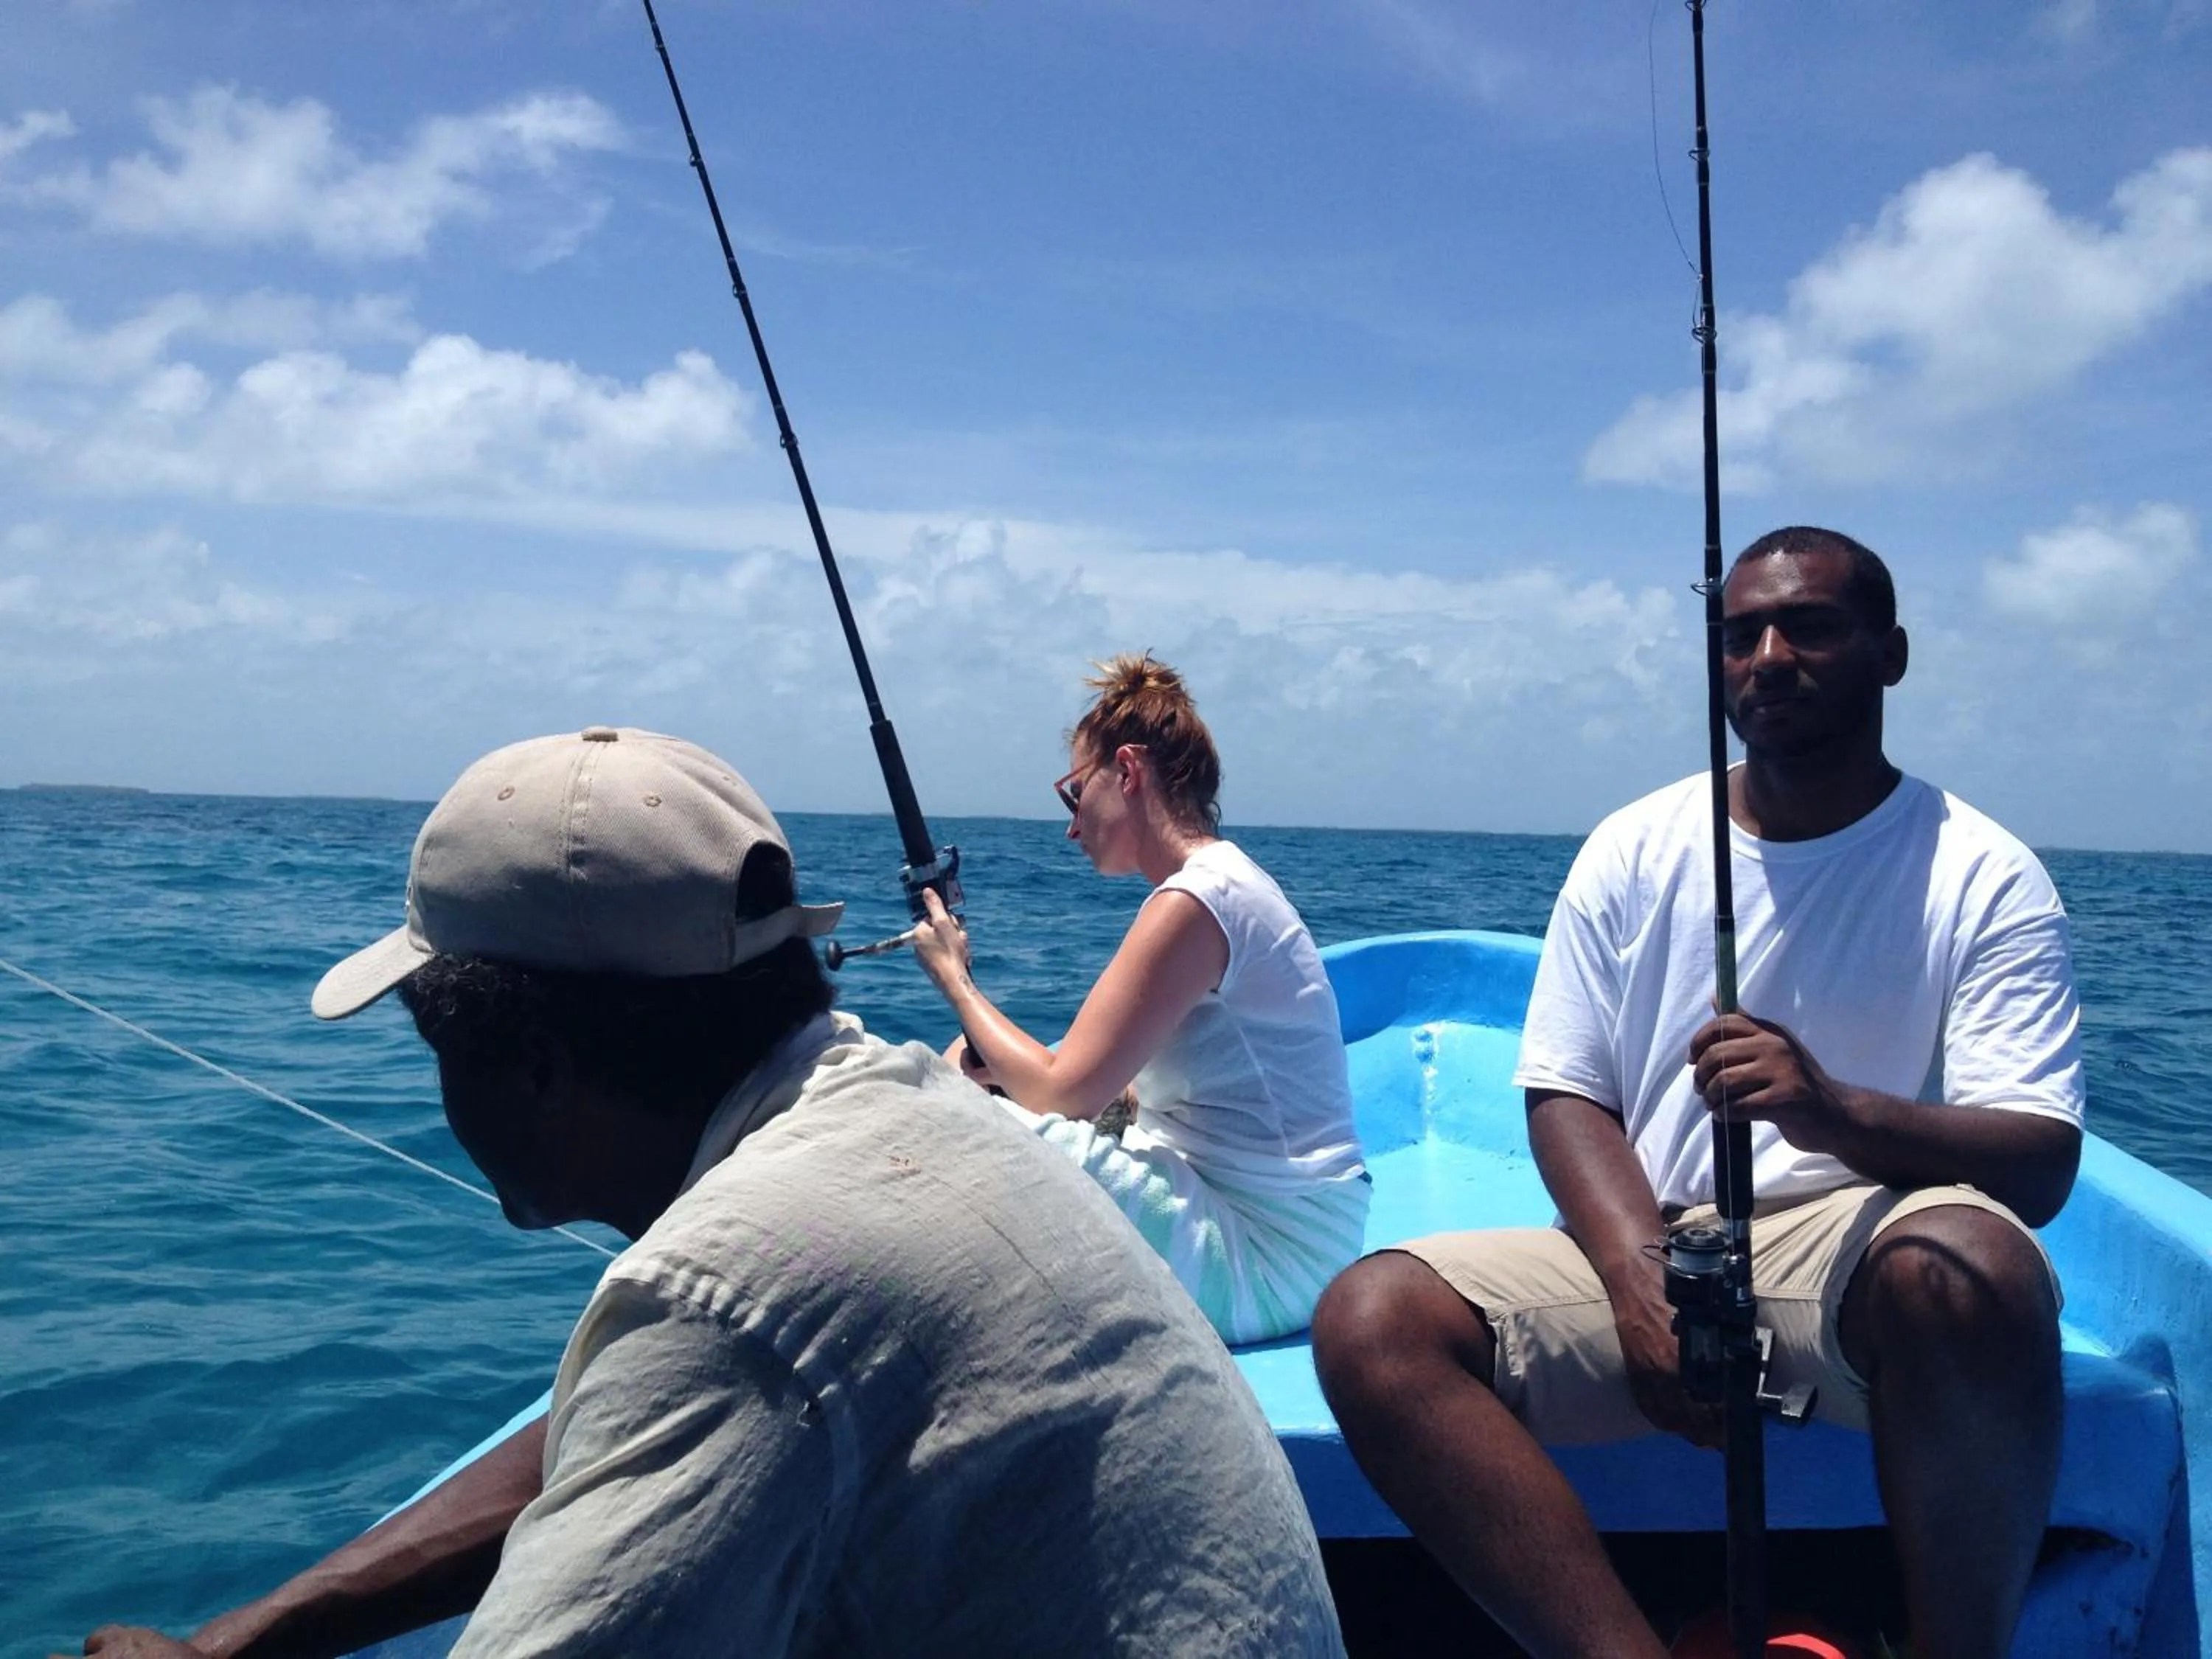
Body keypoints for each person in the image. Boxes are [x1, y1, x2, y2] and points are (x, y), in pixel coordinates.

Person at [71, 726, 1344, 1659]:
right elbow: (623, 1421)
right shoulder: (895, 1097)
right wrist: (258, 1632)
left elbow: (717, 1346)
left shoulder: (740, 1291)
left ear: (532, 1066)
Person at [1310, 528, 2085, 1659]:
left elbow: (2041, 1161)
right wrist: (1640, 1281)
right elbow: (1566, 1092)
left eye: (1809, 627)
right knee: (1372, 1320)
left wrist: (1834, 1110)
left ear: (1891, 654)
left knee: (1975, 1265)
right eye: (1739, 635)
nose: (1768, 657)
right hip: (1655, 1241)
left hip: (1851, 1247)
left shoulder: (1983, 868)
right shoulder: (1632, 844)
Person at [908, 655, 1369, 1345]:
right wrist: (996, 1069)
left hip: (1271, 1257)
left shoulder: (1197, 901)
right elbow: (1110, 1086)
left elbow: (1065, 1095)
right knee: (967, 1073)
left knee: (947, 1112)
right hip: (1298, 1228)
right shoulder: (1224, 884)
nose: (1071, 827)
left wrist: (955, 981)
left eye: (1074, 794)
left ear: (1126, 772)